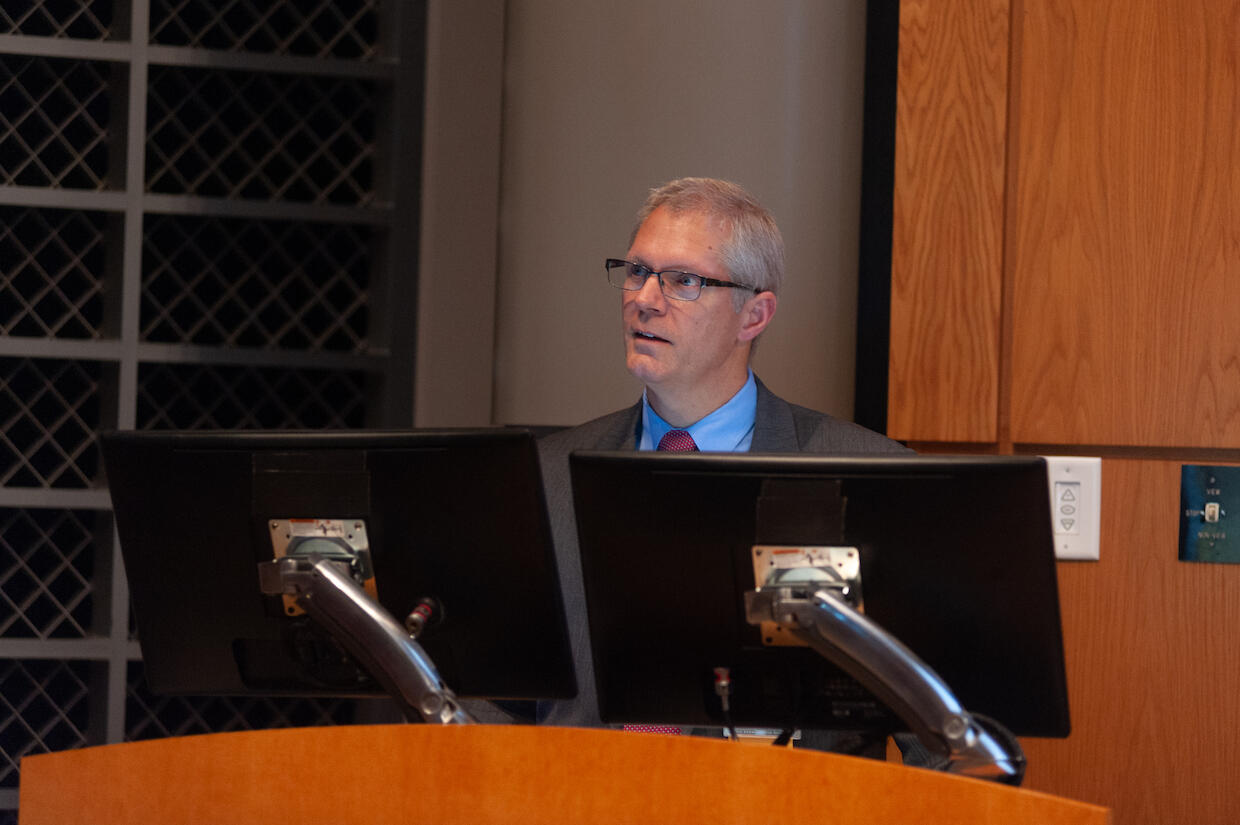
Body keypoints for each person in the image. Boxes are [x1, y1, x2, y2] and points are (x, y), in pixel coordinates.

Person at [537, 177, 910, 729]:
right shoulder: (546, 474)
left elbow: (937, 735)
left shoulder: (867, 478)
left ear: (754, 316)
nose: (644, 300)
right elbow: (487, 691)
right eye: (637, 272)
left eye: (683, 281)